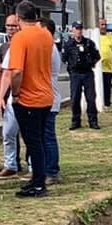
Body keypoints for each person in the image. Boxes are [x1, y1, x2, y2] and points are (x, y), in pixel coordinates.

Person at [2, 1, 54, 198]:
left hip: (28, 97)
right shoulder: (46, 35)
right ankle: (37, 178)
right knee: (38, 140)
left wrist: (15, 95)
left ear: (18, 17)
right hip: (45, 95)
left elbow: (16, 72)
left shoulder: (20, 38)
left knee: (33, 143)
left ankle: (39, 183)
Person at [0, 13, 22, 179]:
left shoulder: (22, 44)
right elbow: (0, 72)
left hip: (22, 95)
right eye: (8, 26)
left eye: (14, 26)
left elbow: (14, 73)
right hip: (8, 96)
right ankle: (12, 163)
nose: (11, 29)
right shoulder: (4, 47)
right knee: (9, 133)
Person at [62, 21, 100, 130]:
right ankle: (75, 121)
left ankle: (93, 121)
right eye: (76, 29)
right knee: (75, 98)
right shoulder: (68, 44)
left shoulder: (89, 43)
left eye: (80, 29)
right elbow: (64, 59)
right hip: (75, 74)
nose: (78, 31)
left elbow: (97, 56)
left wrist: (91, 63)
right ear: (72, 30)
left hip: (87, 73)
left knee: (91, 98)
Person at [41, 17, 61, 181]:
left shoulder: (49, 49)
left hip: (49, 97)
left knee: (47, 137)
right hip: (45, 97)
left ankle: (51, 170)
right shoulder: (48, 47)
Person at [96, 18, 112, 108]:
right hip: (97, 67)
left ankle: (107, 104)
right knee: (98, 87)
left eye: (105, 24)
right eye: (102, 25)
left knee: (107, 86)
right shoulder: (95, 36)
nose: (104, 27)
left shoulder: (110, 36)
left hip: (108, 67)